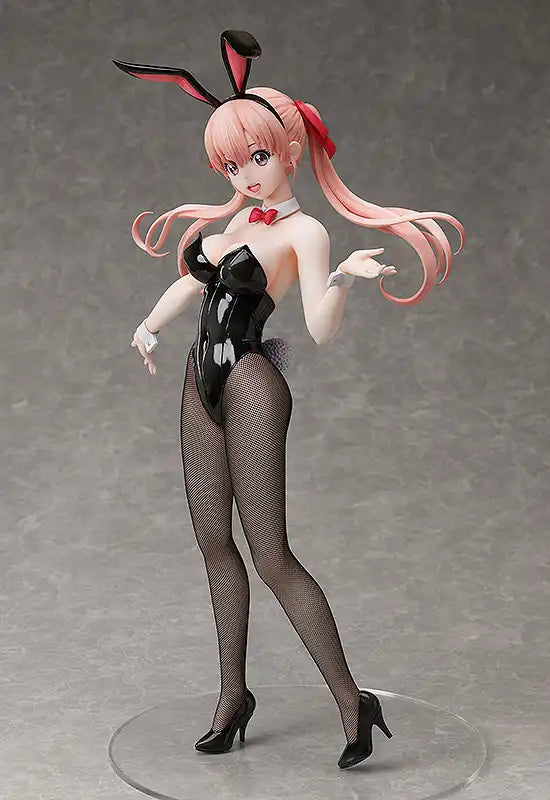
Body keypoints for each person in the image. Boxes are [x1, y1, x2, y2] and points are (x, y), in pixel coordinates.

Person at [114, 29, 465, 769]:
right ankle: (232, 697)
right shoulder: (237, 221)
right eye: (230, 165)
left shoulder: (305, 232)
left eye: (256, 157)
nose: (244, 175)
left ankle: (352, 702)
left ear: (289, 149)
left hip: (250, 381)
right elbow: (193, 282)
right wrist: (148, 326)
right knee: (214, 543)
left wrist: (342, 279)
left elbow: (318, 329)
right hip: (198, 381)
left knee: (270, 552)